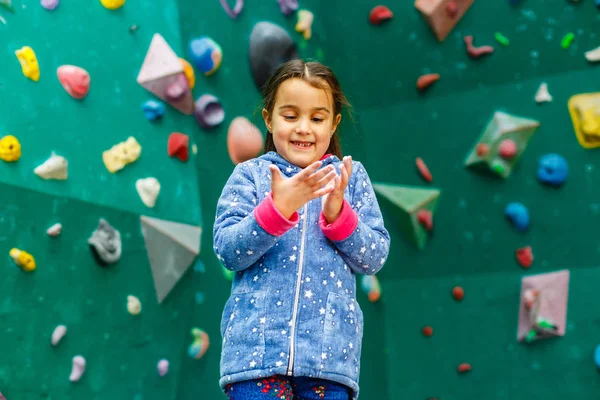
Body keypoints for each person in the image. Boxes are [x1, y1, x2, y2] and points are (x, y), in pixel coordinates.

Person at [213, 59, 390, 400]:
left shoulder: (350, 179)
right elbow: (228, 250)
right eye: (290, 115)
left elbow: (375, 257)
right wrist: (277, 210)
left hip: (329, 358)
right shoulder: (249, 175)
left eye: (317, 118)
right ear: (269, 118)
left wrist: (340, 214)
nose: (303, 128)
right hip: (255, 355)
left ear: (334, 124)